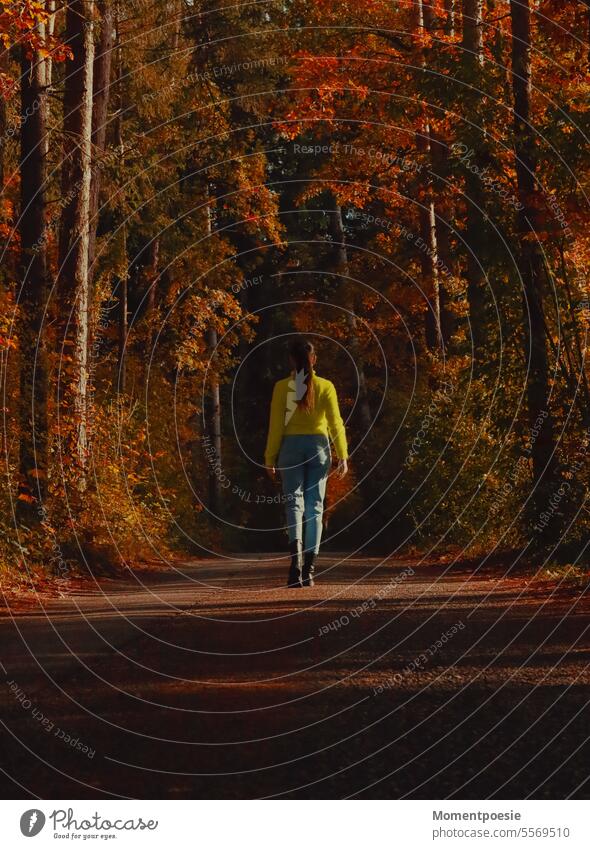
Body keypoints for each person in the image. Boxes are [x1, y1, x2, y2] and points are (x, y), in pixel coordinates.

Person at [264, 337, 349, 588]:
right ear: (314, 359)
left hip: (290, 448)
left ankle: (295, 566)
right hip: (319, 448)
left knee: (294, 504)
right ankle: (309, 570)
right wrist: (342, 454)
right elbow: (336, 422)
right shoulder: (326, 387)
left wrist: (269, 457)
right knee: (315, 507)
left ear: (291, 359)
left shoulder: (282, 388)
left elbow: (276, 426)